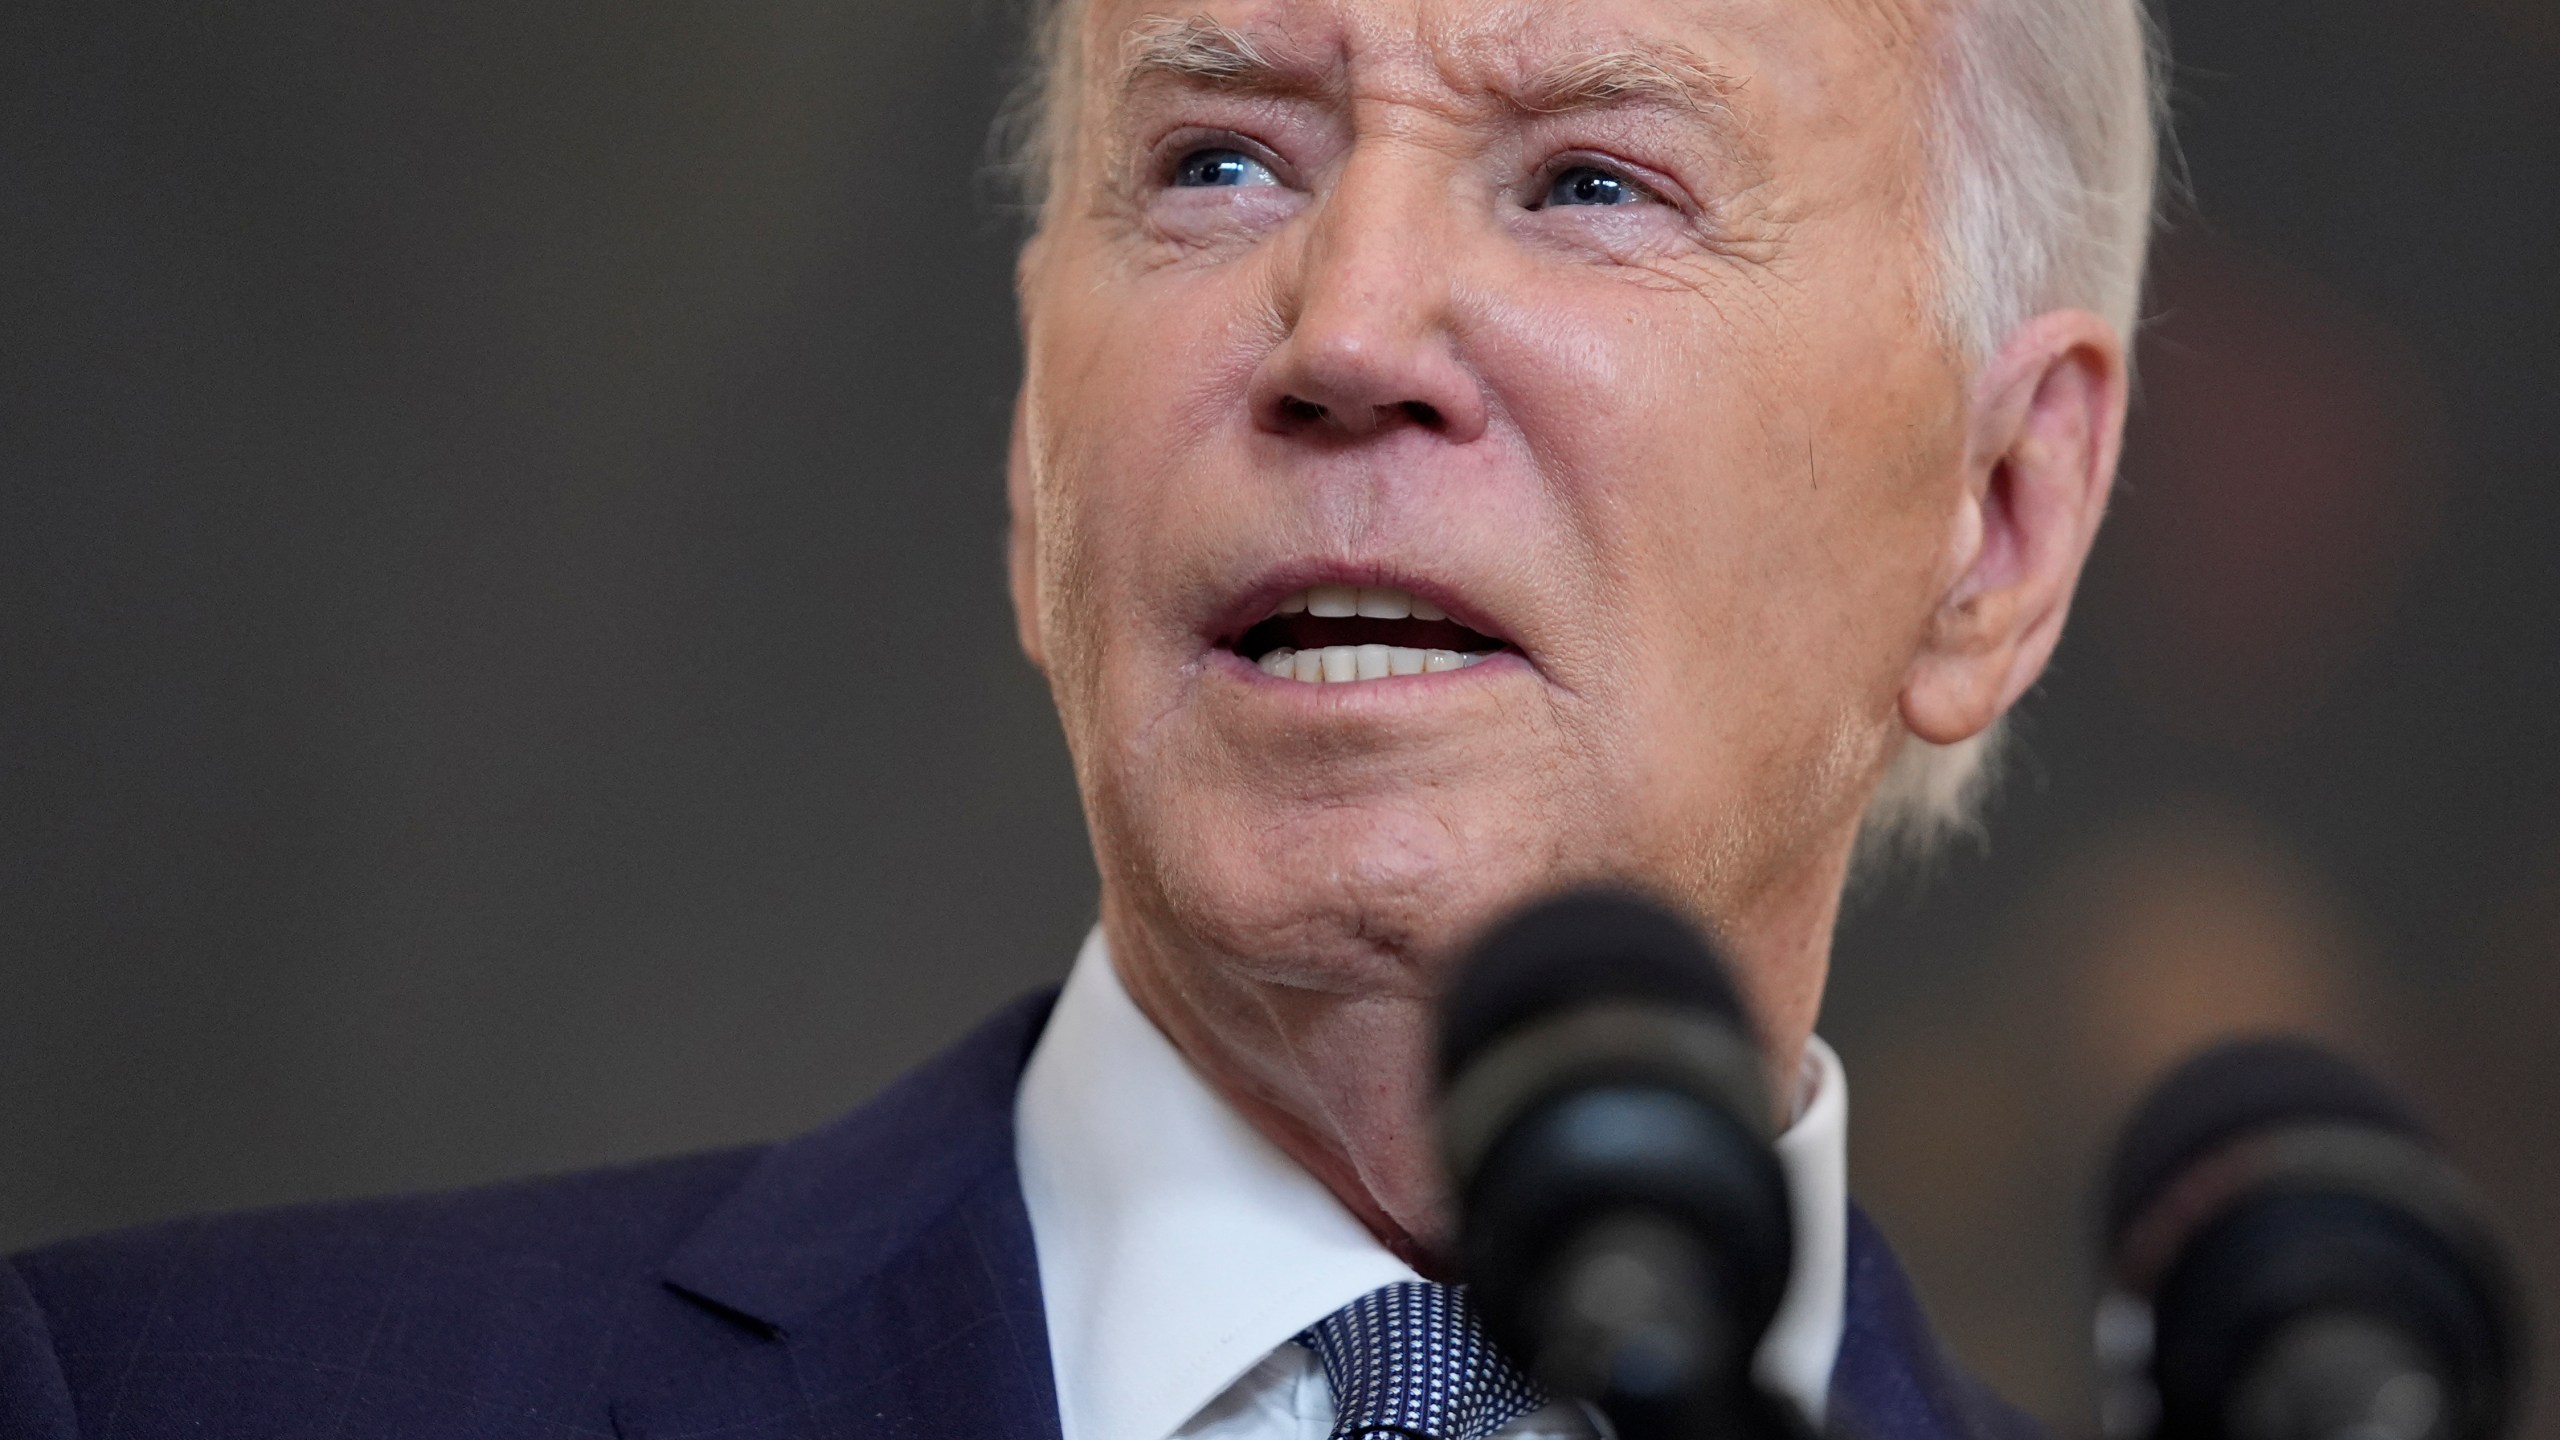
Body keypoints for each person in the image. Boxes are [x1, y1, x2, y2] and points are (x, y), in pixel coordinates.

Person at [0, 0, 2160, 1434]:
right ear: (1036, 446)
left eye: (1592, 181)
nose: (1344, 326)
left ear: (1997, 518)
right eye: (1218, 161)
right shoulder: (163, 1399)